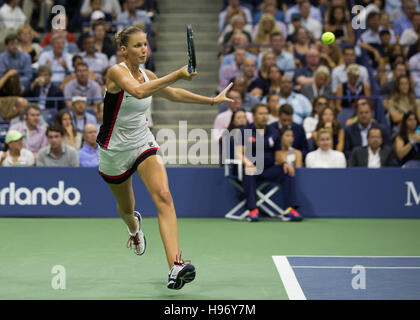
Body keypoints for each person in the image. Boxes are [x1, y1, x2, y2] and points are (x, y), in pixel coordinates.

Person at [98, 25, 233, 289]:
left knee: (164, 195)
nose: (143, 50)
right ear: (123, 50)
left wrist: (212, 101)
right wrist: (178, 74)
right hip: (113, 151)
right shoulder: (116, 72)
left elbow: (173, 94)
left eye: (145, 45)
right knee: (126, 209)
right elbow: (137, 92)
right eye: (137, 46)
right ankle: (134, 228)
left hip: (142, 141)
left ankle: (175, 265)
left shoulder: (147, 74)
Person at [236, 104, 302, 222]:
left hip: (269, 168)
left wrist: (285, 163)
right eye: (261, 114)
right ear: (254, 116)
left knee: (286, 172)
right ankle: (253, 210)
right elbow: (238, 152)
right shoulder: (245, 131)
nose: (264, 116)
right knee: (249, 172)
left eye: (266, 113)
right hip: (253, 168)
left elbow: (278, 155)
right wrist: (247, 163)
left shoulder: (274, 132)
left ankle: (289, 209)